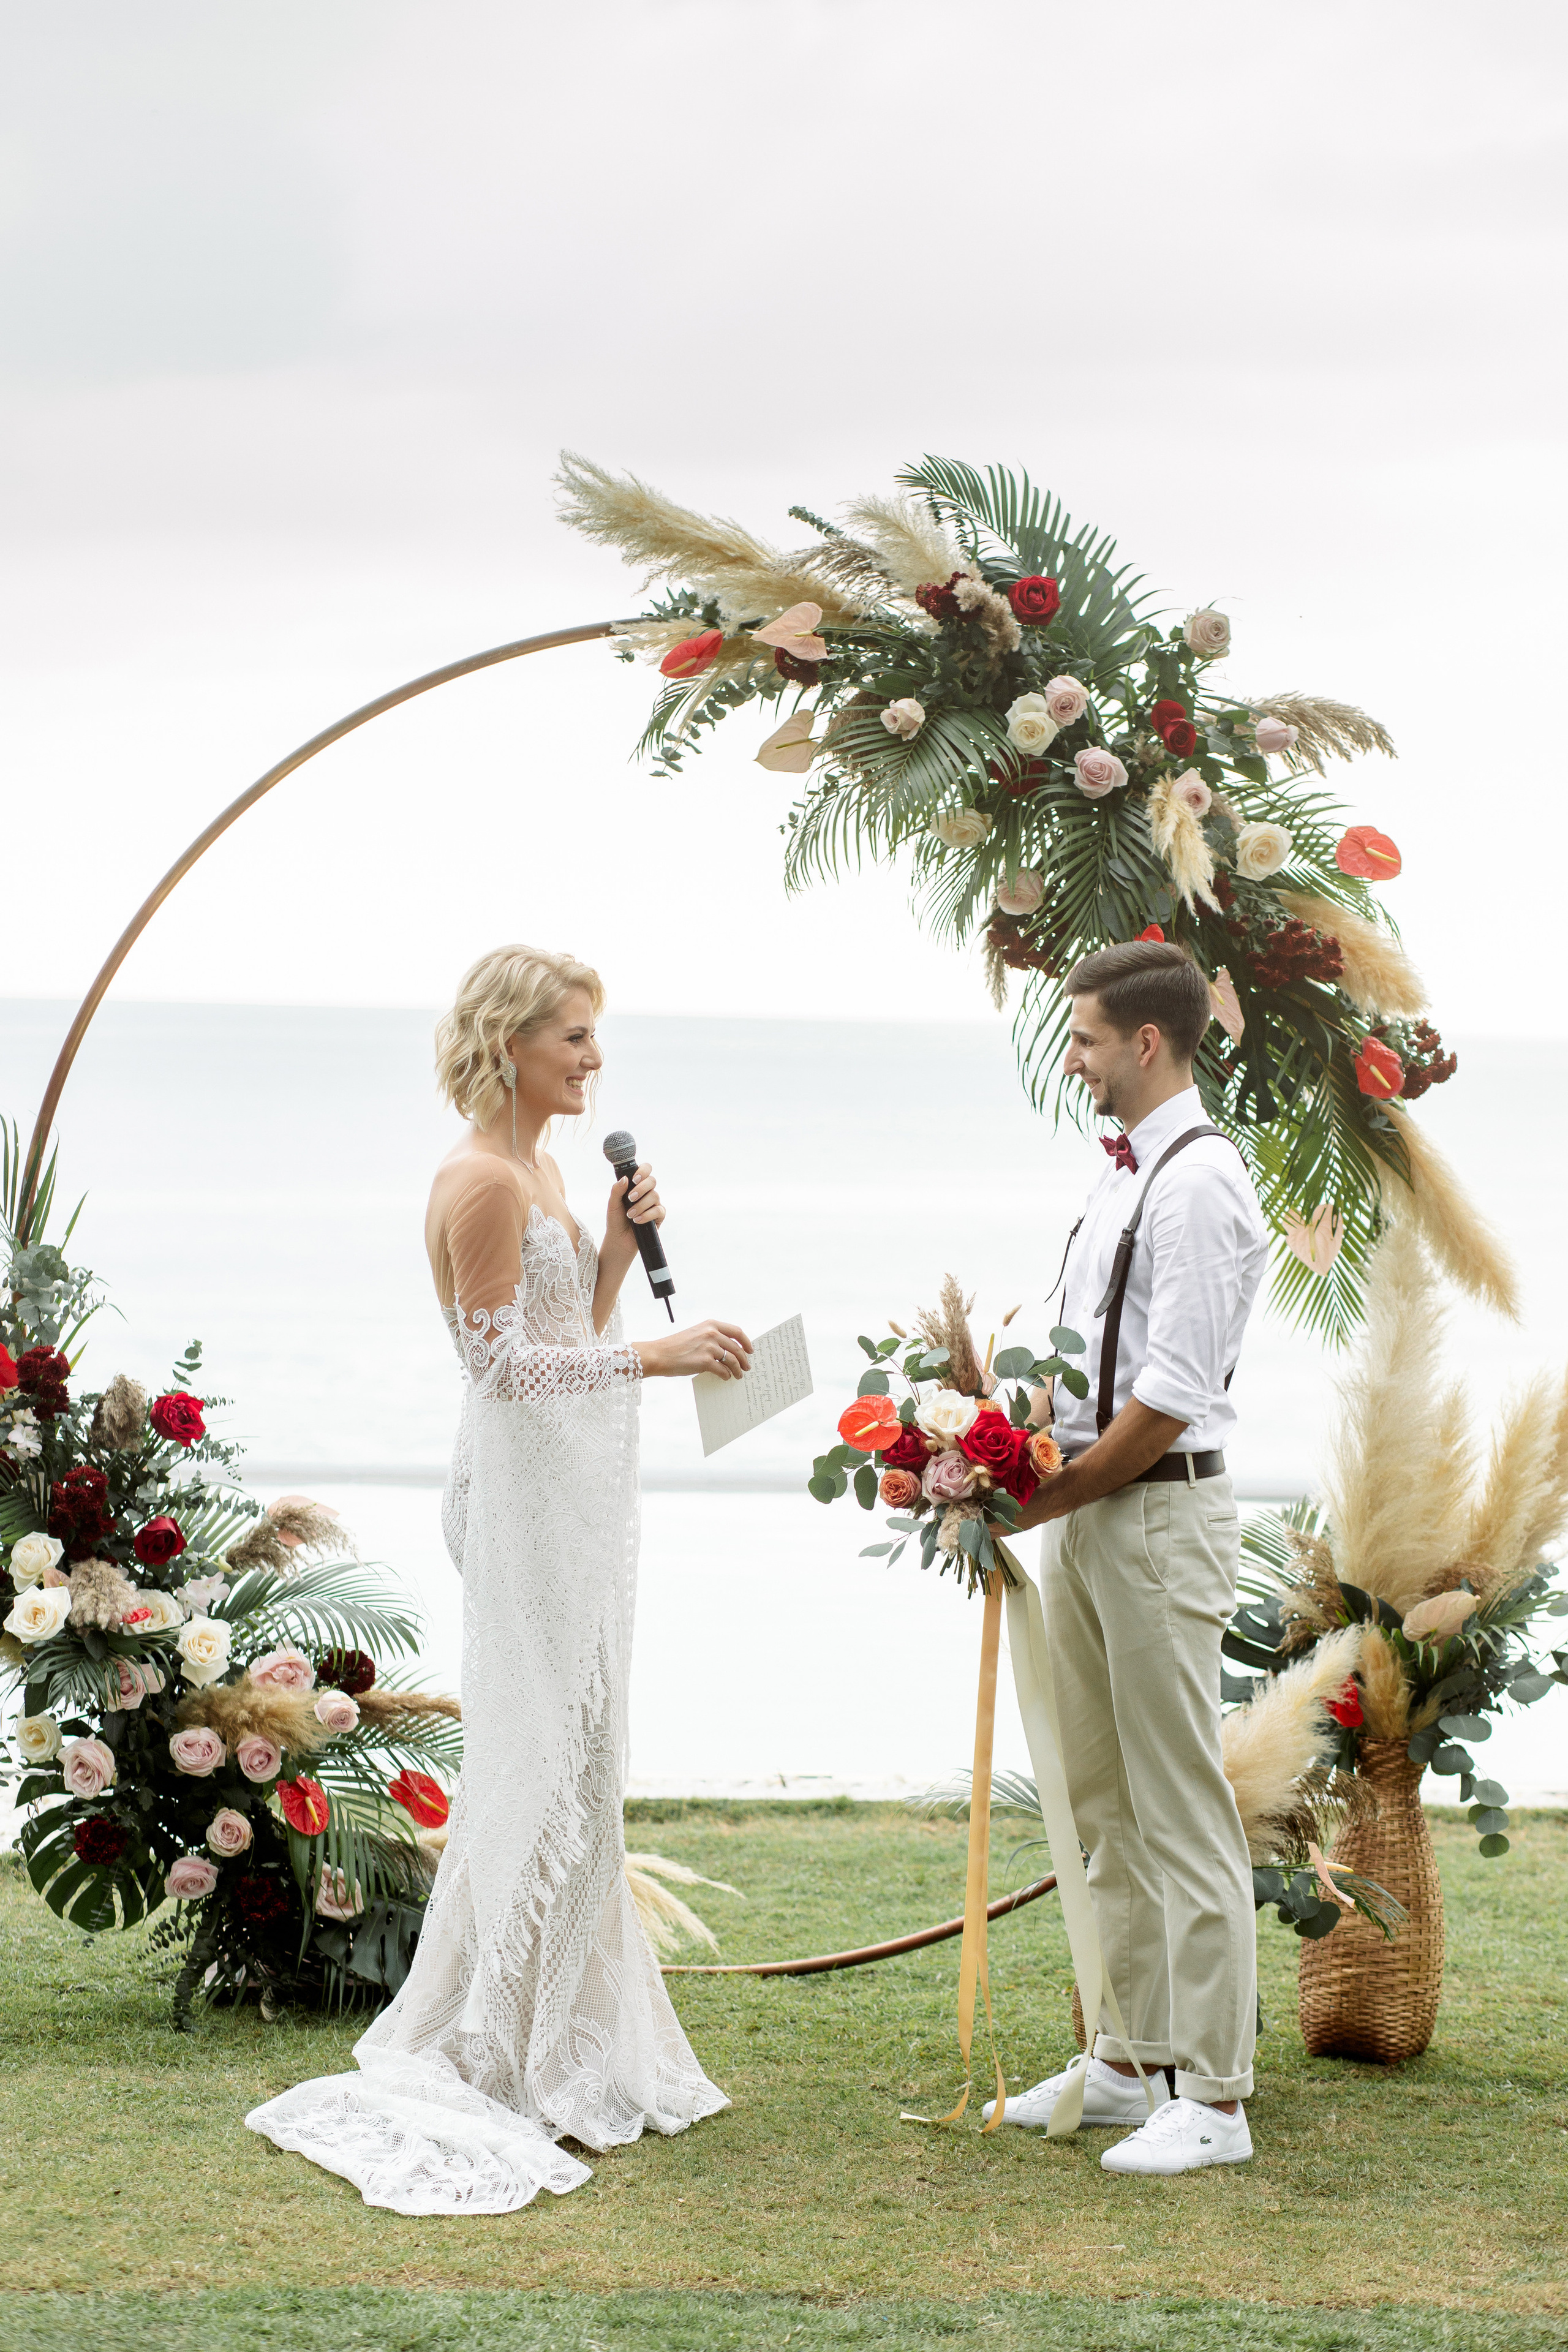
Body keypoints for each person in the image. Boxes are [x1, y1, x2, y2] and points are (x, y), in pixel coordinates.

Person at [247, 944, 753, 2213]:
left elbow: (563, 1332)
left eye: (594, 1037)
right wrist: (662, 1358)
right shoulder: (478, 1179)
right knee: (532, 1750)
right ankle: (487, 2039)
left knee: (581, 1748)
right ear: (509, 1043)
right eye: (572, 1036)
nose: (592, 1059)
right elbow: (500, 1370)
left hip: (574, 1490)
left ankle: (559, 2035)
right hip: (525, 1497)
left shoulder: (541, 1168)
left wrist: (624, 1258)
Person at [984, 939, 1268, 2176]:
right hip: (1100, 1513)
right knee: (1098, 1803)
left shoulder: (1199, 1183)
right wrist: (980, 1448)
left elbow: (1165, 1395)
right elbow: (1083, 1369)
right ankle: (1123, 2059)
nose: (1074, 1058)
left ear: (1145, 1043)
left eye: (1086, 1038)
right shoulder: (1116, 1179)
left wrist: (1037, 1503)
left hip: (1156, 1516)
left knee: (1176, 1805)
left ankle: (1213, 2097)